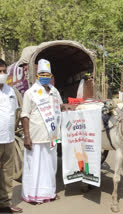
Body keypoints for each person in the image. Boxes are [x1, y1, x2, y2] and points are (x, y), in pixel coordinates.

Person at [21, 59, 63, 203]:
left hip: (52, 136)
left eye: (47, 74)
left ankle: (49, 193)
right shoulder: (30, 93)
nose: (45, 76)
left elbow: (60, 109)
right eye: (42, 74)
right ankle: (32, 195)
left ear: (51, 75)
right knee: (35, 165)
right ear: (37, 75)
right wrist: (27, 137)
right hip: (36, 135)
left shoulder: (55, 91)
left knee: (50, 166)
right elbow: (25, 115)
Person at [0, 59, 23, 213]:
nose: (2, 74)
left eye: (4, 71)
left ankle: (5, 203)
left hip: (7, 139)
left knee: (7, 173)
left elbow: (16, 114)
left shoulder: (12, 92)